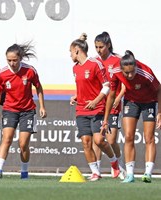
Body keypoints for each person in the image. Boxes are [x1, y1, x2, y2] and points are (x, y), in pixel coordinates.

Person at [101, 50, 161, 183]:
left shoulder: (145, 72)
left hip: (149, 102)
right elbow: (111, 95)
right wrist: (105, 119)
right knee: (128, 136)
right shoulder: (116, 72)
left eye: (132, 72)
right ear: (121, 69)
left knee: (149, 137)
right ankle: (130, 174)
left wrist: (160, 112)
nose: (129, 75)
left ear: (136, 67)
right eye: (126, 73)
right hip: (131, 102)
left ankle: (148, 173)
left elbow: (159, 90)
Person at [69, 33, 120, 181]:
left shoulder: (95, 64)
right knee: (86, 141)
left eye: (71, 51)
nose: (70, 54)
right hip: (81, 110)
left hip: (97, 109)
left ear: (77, 51)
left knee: (99, 140)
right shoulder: (75, 68)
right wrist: (76, 96)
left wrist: (96, 101)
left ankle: (114, 162)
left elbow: (106, 87)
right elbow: (84, 87)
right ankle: (95, 172)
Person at [0, 43, 47, 179]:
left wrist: (42, 106)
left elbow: (39, 88)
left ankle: (24, 172)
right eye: (9, 60)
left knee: (23, 144)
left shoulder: (30, 71)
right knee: (6, 139)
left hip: (27, 111)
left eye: (14, 60)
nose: (12, 63)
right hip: (9, 109)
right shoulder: (3, 74)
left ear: (20, 58)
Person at [93, 31, 126, 178]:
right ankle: (96, 170)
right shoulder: (95, 62)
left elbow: (126, 83)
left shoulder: (117, 61)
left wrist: (118, 97)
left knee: (111, 140)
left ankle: (119, 166)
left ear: (108, 45)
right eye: (96, 47)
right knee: (97, 138)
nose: (99, 50)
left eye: (101, 47)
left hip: (113, 106)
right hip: (99, 106)